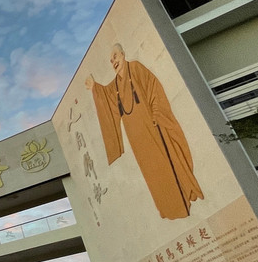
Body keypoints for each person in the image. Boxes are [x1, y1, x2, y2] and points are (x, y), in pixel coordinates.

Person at [85, 44, 203, 220]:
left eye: (115, 57)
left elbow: (154, 89)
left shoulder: (136, 68)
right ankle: (168, 209)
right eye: (111, 61)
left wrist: (156, 114)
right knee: (152, 173)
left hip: (152, 126)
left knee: (166, 162)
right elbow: (106, 97)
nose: (114, 62)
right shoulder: (115, 85)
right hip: (137, 137)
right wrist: (95, 87)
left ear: (123, 55)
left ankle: (182, 202)